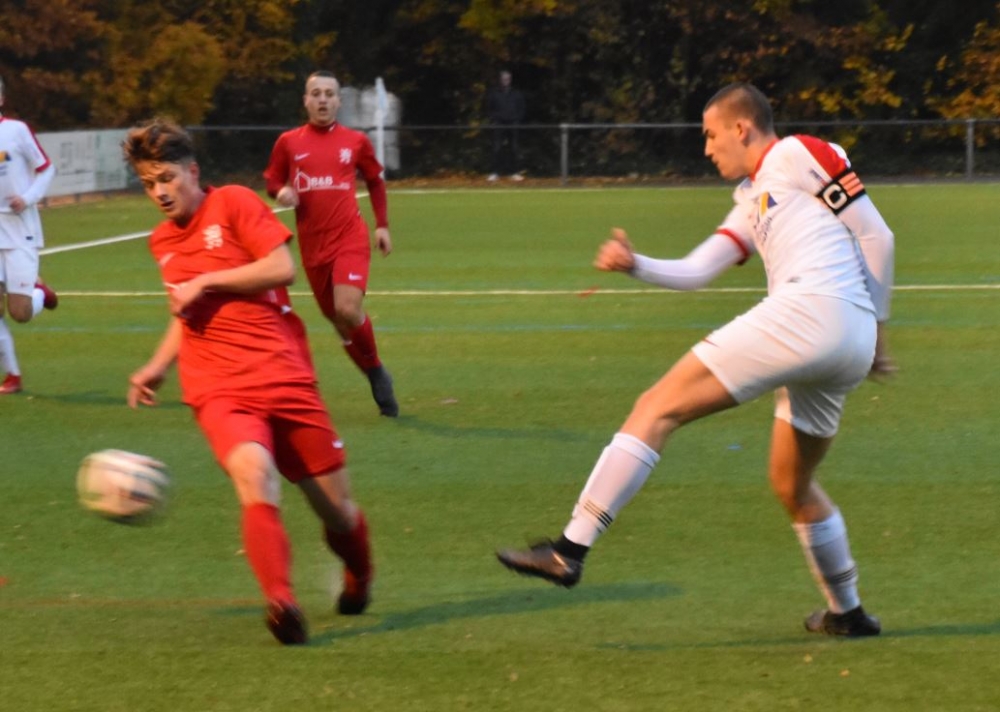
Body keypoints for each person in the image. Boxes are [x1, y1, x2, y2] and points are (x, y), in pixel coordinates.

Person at [497, 82, 896, 637]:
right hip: (843, 342)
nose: (706, 148)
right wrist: (635, 264)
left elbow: (878, 235)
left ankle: (569, 549)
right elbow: (698, 270)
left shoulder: (796, 152)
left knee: (655, 408)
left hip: (813, 311)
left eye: (711, 135)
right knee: (792, 483)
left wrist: (879, 329)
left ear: (741, 128)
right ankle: (847, 613)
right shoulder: (752, 199)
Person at [122, 118, 374, 645]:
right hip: (217, 386)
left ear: (192, 172)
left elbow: (281, 267)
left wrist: (207, 280)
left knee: (337, 510)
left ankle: (359, 575)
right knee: (255, 474)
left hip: (283, 374)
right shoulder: (162, 242)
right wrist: (158, 366)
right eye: (148, 184)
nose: (160, 192)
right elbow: (185, 310)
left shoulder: (234, 202)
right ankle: (281, 602)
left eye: (167, 178)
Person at [264, 70, 399, 418]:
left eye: (329, 94)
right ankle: (374, 371)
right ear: (306, 100)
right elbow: (272, 179)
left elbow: (375, 180)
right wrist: (281, 191)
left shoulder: (355, 141)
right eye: (316, 94)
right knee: (338, 321)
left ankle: (376, 371)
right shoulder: (289, 142)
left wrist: (382, 226)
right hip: (313, 246)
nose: (322, 100)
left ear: (338, 101)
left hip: (349, 237)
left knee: (348, 310)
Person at [0, 75, 59, 395]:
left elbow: (47, 168)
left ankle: (40, 293)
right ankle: (13, 375)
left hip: (18, 228)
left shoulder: (16, 131)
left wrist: (27, 198)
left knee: (19, 313)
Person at [485, 70, 526, 182]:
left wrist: (517, 119)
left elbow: (522, 108)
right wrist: (494, 119)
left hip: (513, 124)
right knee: (497, 148)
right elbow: (489, 108)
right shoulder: (494, 93)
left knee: (514, 148)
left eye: (508, 79)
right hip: (499, 124)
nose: (506, 81)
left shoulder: (516, 93)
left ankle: (514, 172)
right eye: (504, 79)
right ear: (500, 79)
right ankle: (495, 173)